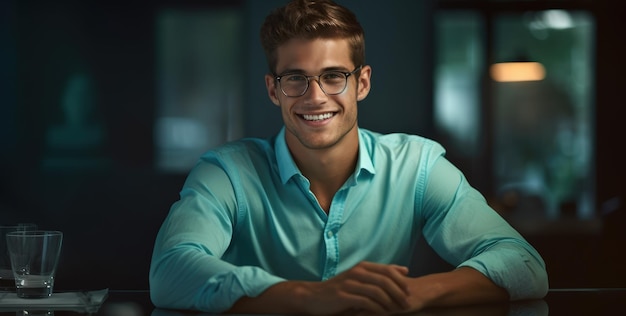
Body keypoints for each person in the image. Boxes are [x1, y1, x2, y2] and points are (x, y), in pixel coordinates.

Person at [149, 0, 549, 314]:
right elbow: (170, 271)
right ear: (273, 90)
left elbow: (524, 266)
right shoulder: (226, 172)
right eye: (295, 79)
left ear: (362, 82)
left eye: (333, 76)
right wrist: (308, 298)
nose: (315, 96)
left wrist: (414, 293)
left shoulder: (417, 165)